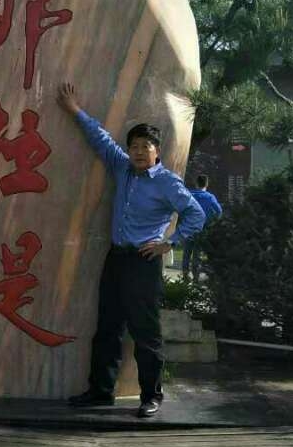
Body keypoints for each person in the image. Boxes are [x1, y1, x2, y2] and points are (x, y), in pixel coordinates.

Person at [57, 81, 205, 419]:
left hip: (143, 261)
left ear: (157, 151)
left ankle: (151, 396)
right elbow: (101, 139)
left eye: (145, 146)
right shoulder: (122, 168)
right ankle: (101, 391)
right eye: (134, 146)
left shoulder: (167, 182)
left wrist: (169, 242)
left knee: (145, 332)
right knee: (108, 327)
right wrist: (74, 110)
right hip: (116, 258)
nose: (138, 152)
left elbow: (196, 214)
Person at [182, 173, 223, 283]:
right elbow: (219, 212)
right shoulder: (210, 197)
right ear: (207, 184)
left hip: (188, 227)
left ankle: (185, 276)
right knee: (197, 253)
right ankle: (196, 277)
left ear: (196, 183)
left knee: (187, 252)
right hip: (202, 228)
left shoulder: (189, 195)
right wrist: (210, 221)